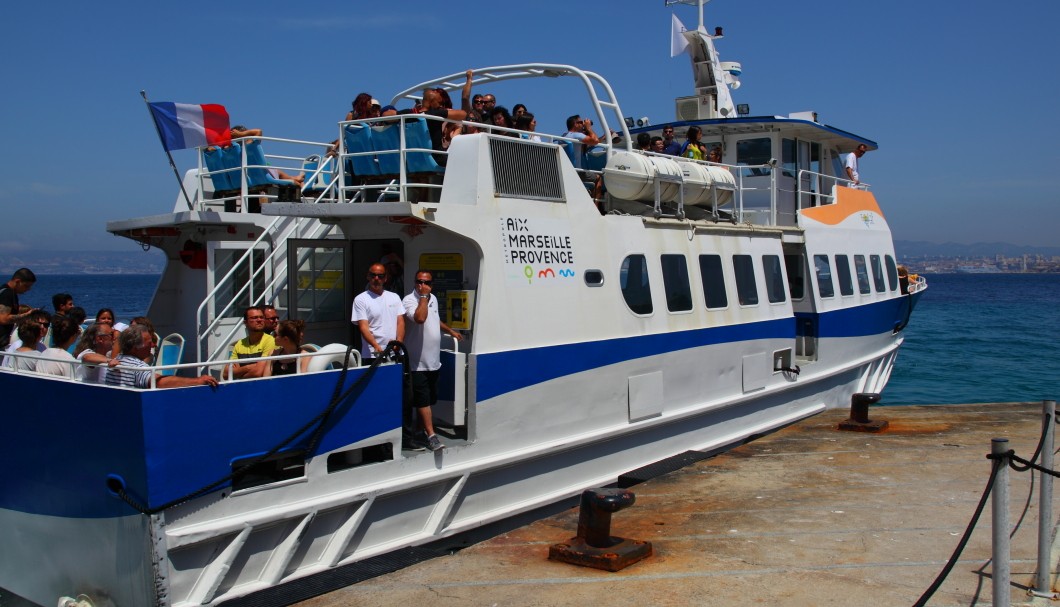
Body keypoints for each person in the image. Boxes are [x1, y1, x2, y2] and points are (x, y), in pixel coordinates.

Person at [402, 270, 464, 451]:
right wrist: (422, 296)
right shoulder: (410, 300)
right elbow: (420, 318)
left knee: (429, 399)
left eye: (426, 282)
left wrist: (450, 330)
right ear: (415, 283)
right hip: (417, 363)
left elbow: (434, 319)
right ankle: (432, 436)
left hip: (433, 361)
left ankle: (420, 431)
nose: (422, 285)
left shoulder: (433, 299)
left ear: (432, 284)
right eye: (419, 281)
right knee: (422, 401)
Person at [106, 325, 218, 389]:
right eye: (149, 343)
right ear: (135, 347)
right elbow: (158, 382)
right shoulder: (137, 367)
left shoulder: (117, 360)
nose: (153, 345)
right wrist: (198, 381)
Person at [352, 263, 405, 363]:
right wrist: (375, 345)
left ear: (385, 278)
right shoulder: (360, 299)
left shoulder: (395, 297)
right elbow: (363, 327)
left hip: (395, 352)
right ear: (368, 276)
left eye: (380, 276)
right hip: (373, 354)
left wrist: (399, 341)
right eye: (373, 275)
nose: (376, 278)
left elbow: (400, 322)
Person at [421, 70, 474, 166]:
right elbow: (464, 111)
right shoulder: (438, 114)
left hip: (421, 158)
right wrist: (469, 80)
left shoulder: (414, 115)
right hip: (439, 157)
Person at [225, 306, 276, 380]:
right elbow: (226, 374)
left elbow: (258, 373)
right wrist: (248, 367)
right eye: (254, 318)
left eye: (261, 317)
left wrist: (238, 374)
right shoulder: (239, 344)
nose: (259, 320)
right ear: (245, 322)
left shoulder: (270, 340)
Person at [0, 268, 37, 351]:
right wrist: (26, 315)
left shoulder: (9, 293)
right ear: (17, 282)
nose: (28, 289)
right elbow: (3, 319)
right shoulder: (7, 294)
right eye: (26, 286)